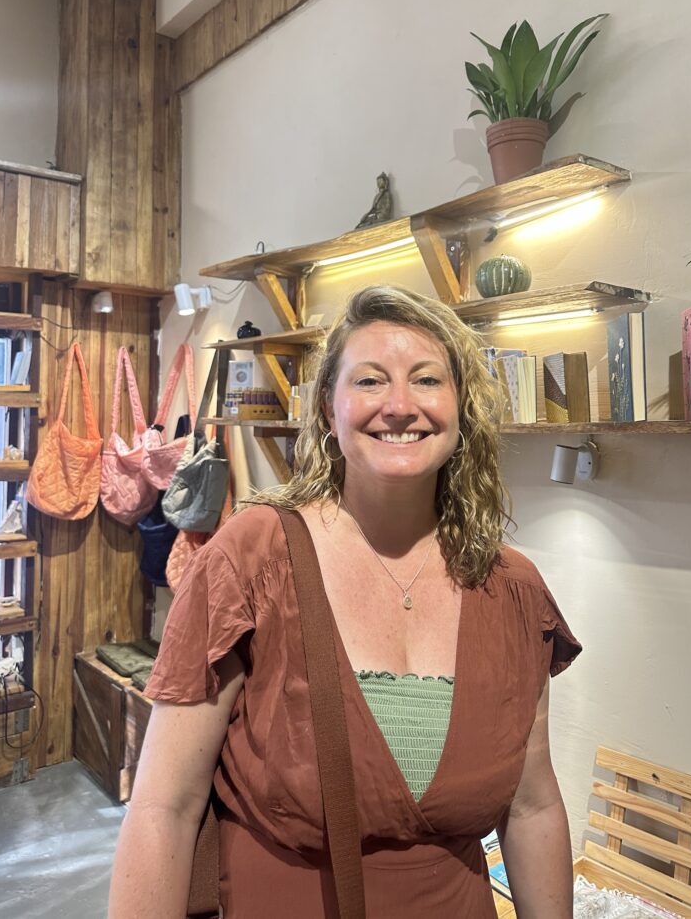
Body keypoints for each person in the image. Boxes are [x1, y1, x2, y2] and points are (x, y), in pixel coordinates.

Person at [108, 284, 581, 918]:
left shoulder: (512, 591)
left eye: (427, 380)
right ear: (328, 409)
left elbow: (532, 806)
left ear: (461, 409)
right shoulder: (252, 562)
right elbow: (164, 807)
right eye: (369, 380)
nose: (400, 406)